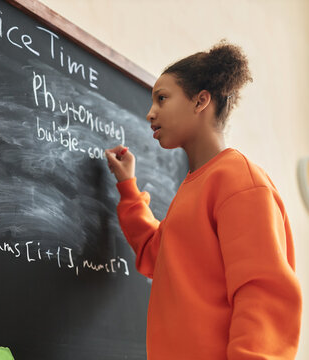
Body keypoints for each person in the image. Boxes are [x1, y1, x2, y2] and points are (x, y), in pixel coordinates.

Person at [105, 41, 302, 359]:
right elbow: (156, 254)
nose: (150, 112)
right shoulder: (195, 186)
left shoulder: (238, 182)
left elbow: (264, 295)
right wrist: (128, 187)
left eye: (162, 98)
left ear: (200, 101)